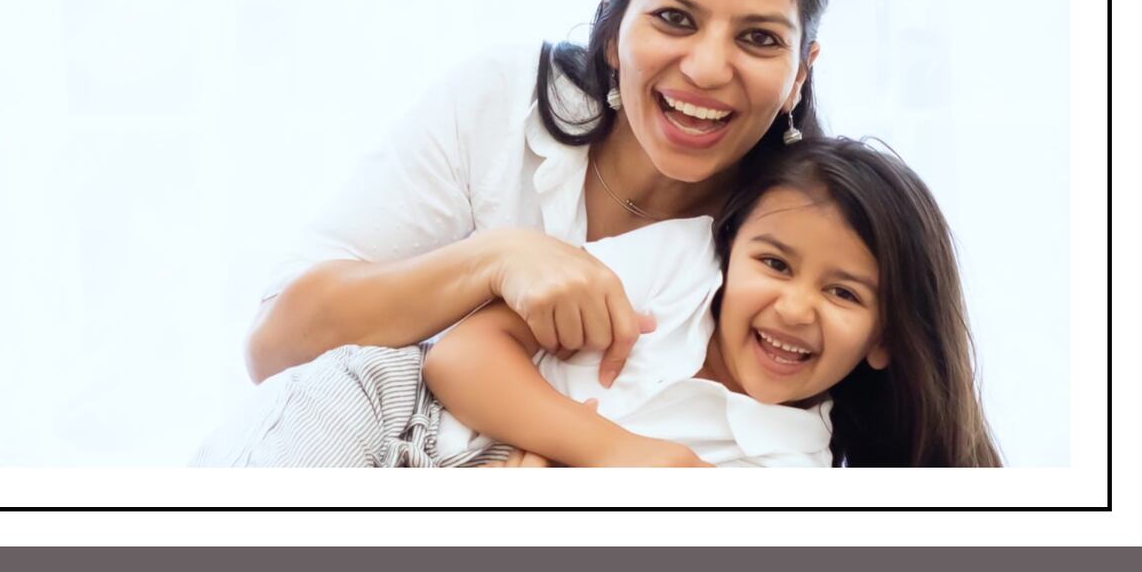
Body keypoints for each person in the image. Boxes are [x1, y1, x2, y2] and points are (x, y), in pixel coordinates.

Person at [244, 0, 835, 388]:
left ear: (799, 74)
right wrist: (495, 259)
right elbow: (275, 347)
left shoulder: (816, 235)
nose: (706, 69)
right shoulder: (498, 103)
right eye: (674, 18)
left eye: (759, 38)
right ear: (613, 33)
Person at [193, 138, 1002, 468]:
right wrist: (616, 455)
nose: (794, 306)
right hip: (395, 412)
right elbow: (460, 355)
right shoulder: (684, 265)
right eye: (774, 262)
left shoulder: (789, 472)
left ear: (885, 339)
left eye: (842, 292)